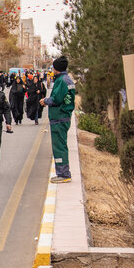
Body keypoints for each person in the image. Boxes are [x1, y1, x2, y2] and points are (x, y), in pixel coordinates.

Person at [40, 56, 76, 184]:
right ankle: (62, 172)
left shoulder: (61, 81)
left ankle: (63, 174)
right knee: (61, 145)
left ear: (56, 68)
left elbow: (56, 99)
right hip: (63, 117)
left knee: (59, 146)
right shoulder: (67, 80)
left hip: (59, 118)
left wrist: (45, 101)